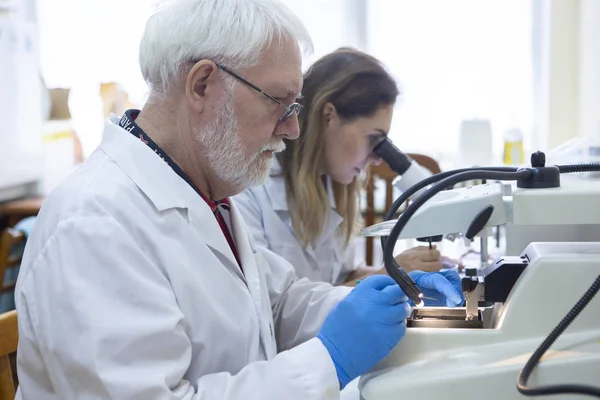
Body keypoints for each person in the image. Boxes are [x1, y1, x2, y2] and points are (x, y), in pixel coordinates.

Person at [14, 1, 463, 399]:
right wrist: (330, 359)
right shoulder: (94, 225)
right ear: (203, 85)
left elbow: (276, 301)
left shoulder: (201, 189)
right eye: (280, 103)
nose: (293, 129)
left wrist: (376, 299)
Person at [235, 48, 457, 287]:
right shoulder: (249, 189)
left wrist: (411, 270)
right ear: (328, 116)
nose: (377, 159)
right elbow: (275, 307)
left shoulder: (333, 187)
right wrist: (393, 272)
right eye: (373, 138)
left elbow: (342, 278)